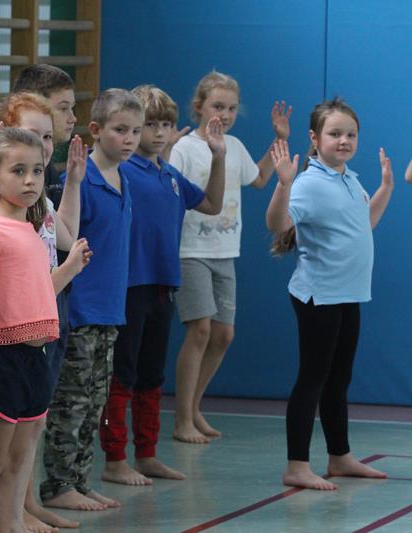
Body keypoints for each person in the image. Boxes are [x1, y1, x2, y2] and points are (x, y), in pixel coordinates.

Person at [0, 90, 87, 533]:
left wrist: (69, 268)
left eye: (37, 171)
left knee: (16, 460)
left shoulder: (33, 227)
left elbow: (39, 294)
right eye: (18, 171)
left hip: (34, 358)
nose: (30, 181)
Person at [100, 85, 225, 486]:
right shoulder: (121, 171)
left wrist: (218, 157)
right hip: (128, 286)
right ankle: (114, 458)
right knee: (123, 373)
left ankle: (147, 454)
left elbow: (212, 204)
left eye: (165, 125)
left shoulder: (169, 175)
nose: (157, 133)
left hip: (162, 285)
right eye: (149, 125)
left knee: (152, 375)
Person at [265, 98, 392, 490]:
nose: (344, 141)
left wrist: (386, 188)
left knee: (339, 380)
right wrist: (283, 185)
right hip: (318, 296)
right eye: (335, 133)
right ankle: (297, 465)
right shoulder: (309, 184)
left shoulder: (349, 179)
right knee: (313, 379)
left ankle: (340, 456)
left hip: (348, 294)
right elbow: (277, 224)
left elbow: (363, 225)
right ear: (314, 138)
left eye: (350, 134)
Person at [170, 71, 291, 443]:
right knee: (200, 330)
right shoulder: (185, 148)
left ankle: (194, 408)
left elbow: (258, 179)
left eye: (231, 108)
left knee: (223, 335)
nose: (224, 114)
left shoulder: (234, 146)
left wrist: (279, 140)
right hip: (190, 251)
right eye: (217, 106)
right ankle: (181, 420)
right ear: (199, 107)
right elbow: (169, 189)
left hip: (224, 253)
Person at [41, 88, 144, 511]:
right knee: (72, 402)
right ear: (97, 130)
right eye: (120, 130)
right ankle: (58, 484)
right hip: (80, 310)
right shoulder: (81, 181)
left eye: (135, 131)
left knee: (96, 401)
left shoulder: (124, 179)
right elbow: (62, 242)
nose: (130, 139)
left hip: (110, 311)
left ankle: (81, 480)